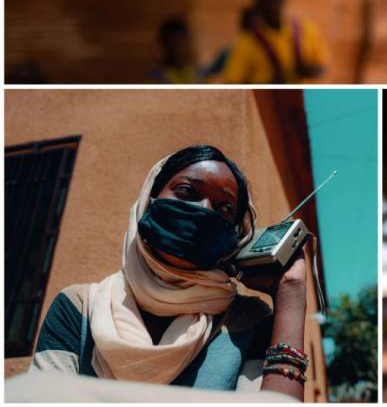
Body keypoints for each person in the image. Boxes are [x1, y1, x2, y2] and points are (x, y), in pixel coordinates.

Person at [30, 146, 310, 399]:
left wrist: (291, 293)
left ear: (235, 235)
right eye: (187, 192)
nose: (203, 212)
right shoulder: (80, 308)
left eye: (224, 209)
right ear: (148, 201)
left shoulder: (247, 321)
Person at [222, 0, 329, 84]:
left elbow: (322, 67)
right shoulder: (247, 42)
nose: (271, 3)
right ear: (258, 1)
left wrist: (310, 71)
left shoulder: (308, 30)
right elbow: (231, 83)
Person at [151, 18, 201, 84]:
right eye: (174, 42)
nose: (179, 47)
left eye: (182, 41)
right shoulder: (157, 76)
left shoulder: (199, 73)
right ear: (165, 44)